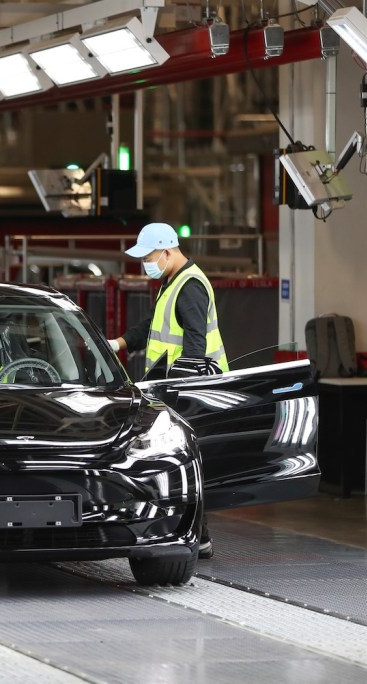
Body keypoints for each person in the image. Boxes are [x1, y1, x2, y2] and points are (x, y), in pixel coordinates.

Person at [108, 222, 228, 559]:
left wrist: (180, 390)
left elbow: (194, 343)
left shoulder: (189, 286)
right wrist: (119, 343)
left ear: (166, 251)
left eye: (148, 256)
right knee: (180, 463)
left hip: (188, 389)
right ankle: (196, 535)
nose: (145, 263)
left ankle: (196, 535)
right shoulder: (172, 282)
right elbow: (151, 326)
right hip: (173, 387)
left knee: (183, 464)